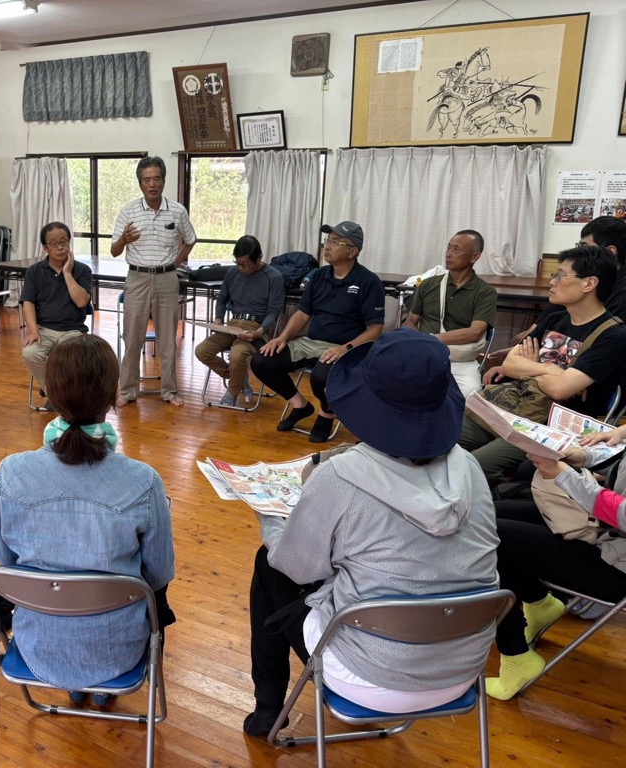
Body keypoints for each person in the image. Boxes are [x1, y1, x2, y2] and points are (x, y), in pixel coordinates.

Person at [245, 328, 499, 737]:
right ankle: (268, 706)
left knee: (269, 563)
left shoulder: (340, 478)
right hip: (462, 667)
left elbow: (295, 566)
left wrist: (268, 513)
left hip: (370, 674)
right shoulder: (469, 467)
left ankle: (268, 707)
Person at [0, 334, 175, 703]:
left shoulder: (10, 473)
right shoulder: (142, 481)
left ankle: (75, 686)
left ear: (50, 393)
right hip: (117, 650)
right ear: (111, 397)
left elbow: (6, 562)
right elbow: (157, 574)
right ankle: (102, 688)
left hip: (37, 645)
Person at [459, 245, 626, 485]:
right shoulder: (556, 317)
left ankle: (498, 506)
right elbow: (509, 364)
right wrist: (551, 369)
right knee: (438, 439)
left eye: (560, 275)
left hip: (551, 427)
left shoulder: (613, 335)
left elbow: (560, 391)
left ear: (589, 284)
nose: (552, 281)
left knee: (475, 466)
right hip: (516, 408)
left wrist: (533, 364)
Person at [486, 424, 626, 700]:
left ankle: (516, 656)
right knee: (487, 517)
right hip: (605, 534)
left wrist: (566, 477)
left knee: (492, 533)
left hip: (615, 565)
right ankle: (539, 604)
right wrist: (582, 460)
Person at [250, 221, 385, 443]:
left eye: (335, 242)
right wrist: (282, 337)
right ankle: (300, 405)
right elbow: (303, 314)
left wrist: (345, 348)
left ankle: (326, 413)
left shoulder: (369, 282)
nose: (327, 246)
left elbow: (375, 329)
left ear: (353, 251)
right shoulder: (319, 276)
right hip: (311, 342)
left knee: (322, 376)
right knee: (262, 360)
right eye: (327, 241)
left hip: (348, 348)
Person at [111, 156, 196, 407]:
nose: (152, 184)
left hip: (167, 278)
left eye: (156, 178)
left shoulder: (178, 211)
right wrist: (124, 239)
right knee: (132, 337)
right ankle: (127, 391)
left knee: (168, 339)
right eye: (146, 180)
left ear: (163, 181)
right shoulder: (128, 211)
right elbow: (115, 250)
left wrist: (176, 263)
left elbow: (190, 239)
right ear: (140, 184)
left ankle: (169, 391)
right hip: (136, 278)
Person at [404, 229, 497, 397]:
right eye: (448, 248)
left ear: (474, 257)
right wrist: (418, 343)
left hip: (460, 359)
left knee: (471, 394)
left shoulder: (485, 292)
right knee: (400, 386)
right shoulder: (428, 284)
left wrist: (433, 339)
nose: (449, 254)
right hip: (425, 354)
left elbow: (475, 333)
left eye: (456, 249)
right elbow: (411, 320)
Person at [195, 235, 284, 407]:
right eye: (238, 263)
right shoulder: (233, 272)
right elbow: (221, 298)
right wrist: (219, 319)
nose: (241, 268)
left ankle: (232, 392)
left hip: (256, 328)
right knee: (202, 350)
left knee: (236, 355)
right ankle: (239, 378)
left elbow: (274, 311)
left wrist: (260, 331)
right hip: (232, 325)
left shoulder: (273, 277)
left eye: (246, 264)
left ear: (259, 258)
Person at [510, 216, 626, 344]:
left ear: (610, 251)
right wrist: (535, 329)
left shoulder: (621, 293)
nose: (579, 251)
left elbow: (600, 333)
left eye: (584, 246)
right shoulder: (556, 316)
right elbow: (556, 305)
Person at [20, 221, 93, 409]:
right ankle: (55, 392)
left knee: (69, 357)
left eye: (64, 242)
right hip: (44, 329)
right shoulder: (34, 272)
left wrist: (67, 274)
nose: (60, 247)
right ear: (45, 247)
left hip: (73, 330)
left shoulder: (83, 270)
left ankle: (57, 393)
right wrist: (33, 331)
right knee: (30, 353)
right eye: (54, 243)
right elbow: (28, 302)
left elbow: (81, 302)